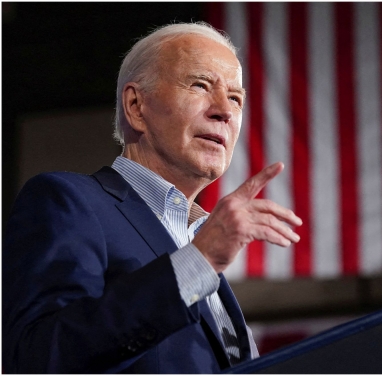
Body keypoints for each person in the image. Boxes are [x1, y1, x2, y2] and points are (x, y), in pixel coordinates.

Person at [2, 22, 303, 373]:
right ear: (136, 106)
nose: (224, 110)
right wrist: (200, 260)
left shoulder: (197, 240)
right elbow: (41, 357)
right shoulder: (69, 202)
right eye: (200, 85)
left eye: (236, 98)